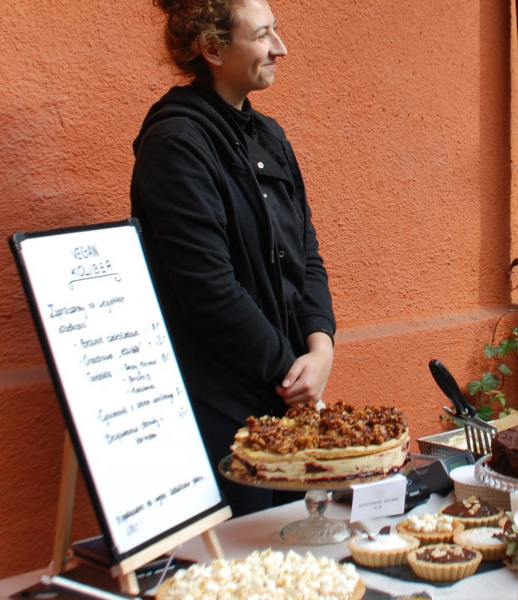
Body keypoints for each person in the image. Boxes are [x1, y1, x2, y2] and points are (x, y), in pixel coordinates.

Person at [131, 0, 336, 516]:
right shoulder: (177, 143)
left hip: (287, 399)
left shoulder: (271, 136)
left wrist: (321, 345)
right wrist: (294, 373)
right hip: (220, 415)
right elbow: (208, 291)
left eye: (276, 31)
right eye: (263, 35)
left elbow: (306, 253)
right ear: (213, 48)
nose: (280, 48)